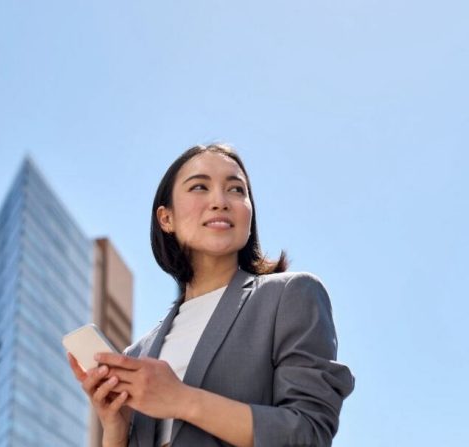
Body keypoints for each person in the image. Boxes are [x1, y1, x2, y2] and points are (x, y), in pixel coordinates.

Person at [67, 144, 354, 446]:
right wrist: (115, 427)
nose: (220, 201)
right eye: (200, 187)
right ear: (166, 219)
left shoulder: (290, 296)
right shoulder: (137, 354)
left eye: (236, 189)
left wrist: (182, 400)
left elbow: (308, 433)